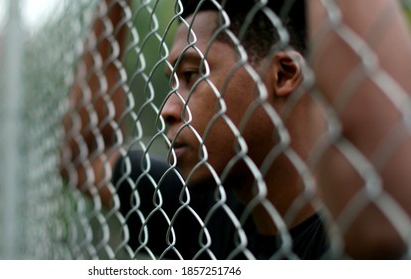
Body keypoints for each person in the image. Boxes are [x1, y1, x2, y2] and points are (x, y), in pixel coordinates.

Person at [61, 0, 411, 259]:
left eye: (192, 75)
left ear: (283, 74)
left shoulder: (351, 234)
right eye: (172, 83)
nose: (167, 109)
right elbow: (81, 157)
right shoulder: (197, 214)